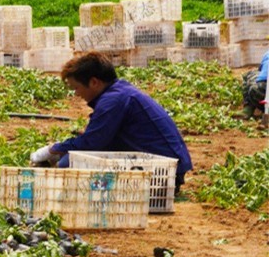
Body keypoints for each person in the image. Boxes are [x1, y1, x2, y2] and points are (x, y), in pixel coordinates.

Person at [30, 51, 193, 190]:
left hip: (164, 172)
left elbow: (92, 143)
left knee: (68, 163)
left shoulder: (113, 100)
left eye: (76, 88)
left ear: (94, 82)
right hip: (165, 165)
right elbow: (98, 139)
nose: (76, 94)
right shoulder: (119, 92)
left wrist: (53, 149)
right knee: (70, 158)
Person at [241, 49, 268, 119]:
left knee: (249, 75)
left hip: (260, 92)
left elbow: (261, 72)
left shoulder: (267, 54)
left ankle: (248, 108)